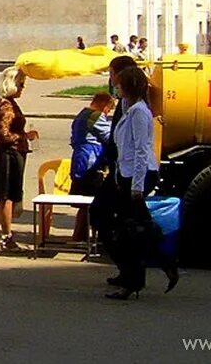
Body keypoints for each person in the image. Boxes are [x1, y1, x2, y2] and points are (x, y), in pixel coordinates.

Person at [102, 65, 175, 299]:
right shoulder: (129, 108)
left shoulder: (140, 113)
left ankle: (133, 281)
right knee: (138, 226)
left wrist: (136, 186)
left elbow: (142, 150)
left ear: (129, 87)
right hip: (126, 174)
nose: (115, 87)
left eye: (119, 84)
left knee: (128, 231)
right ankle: (164, 262)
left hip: (137, 175)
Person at [0, 67, 38, 252]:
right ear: (11, 84)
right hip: (8, 155)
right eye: (20, 84)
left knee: (6, 197)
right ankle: (7, 237)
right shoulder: (5, 105)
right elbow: (4, 135)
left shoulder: (4, 101)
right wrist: (24, 136)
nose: (23, 88)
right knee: (7, 197)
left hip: (10, 153)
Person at [69, 92, 114, 240]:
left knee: (84, 205)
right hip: (90, 161)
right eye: (109, 109)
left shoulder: (82, 114)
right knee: (92, 200)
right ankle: (90, 238)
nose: (108, 113)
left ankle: (79, 236)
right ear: (104, 104)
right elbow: (109, 136)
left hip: (79, 159)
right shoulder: (95, 116)